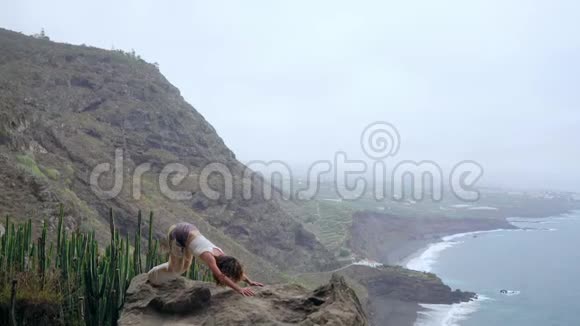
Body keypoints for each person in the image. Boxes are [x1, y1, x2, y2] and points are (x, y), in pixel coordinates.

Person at [147, 222, 263, 296]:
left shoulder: (222, 256)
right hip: (178, 235)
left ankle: (162, 273)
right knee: (176, 268)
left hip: (189, 230)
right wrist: (239, 289)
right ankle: (153, 274)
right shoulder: (210, 257)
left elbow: (235, 269)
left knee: (185, 266)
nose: (229, 276)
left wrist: (249, 281)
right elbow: (221, 276)